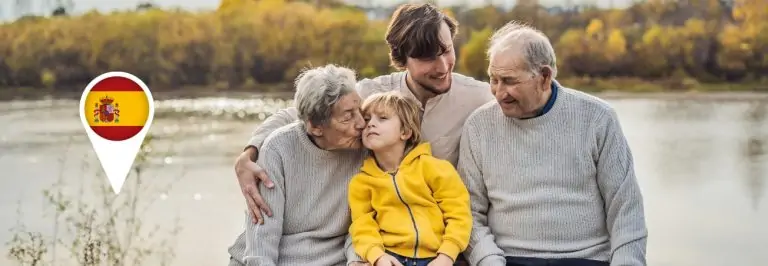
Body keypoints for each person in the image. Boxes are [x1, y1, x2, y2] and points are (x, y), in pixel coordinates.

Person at [233, 3, 492, 226]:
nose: (443, 66)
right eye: (427, 59)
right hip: (380, 238)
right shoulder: (372, 93)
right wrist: (248, 154)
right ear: (402, 59)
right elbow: (296, 115)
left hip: (445, 237)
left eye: (446, 50)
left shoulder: (480, 97)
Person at [458, 21, 648, 266]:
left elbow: (626, 210)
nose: (498, 92)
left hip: (586, 259)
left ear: (545, 77)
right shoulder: (478, 126)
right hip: (508, 259)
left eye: (509, 81)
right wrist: (488, 260)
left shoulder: (598, 118)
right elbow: (469, 214)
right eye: (493, 79)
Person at [228, 64, 369, 266]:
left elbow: (364, 222)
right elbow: (263, 235)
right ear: (315, 126)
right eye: (347, 117)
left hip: (334, 260)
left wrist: (356, 259)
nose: (361, 123)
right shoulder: (278, 148)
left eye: (360, 111)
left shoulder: (366, 147)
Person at [348, 91, 472, 266]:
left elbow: (459, 215)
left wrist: (447, 255)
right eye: (367, 119)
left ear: (405, 132)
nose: (370, 124)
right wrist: (377, 257)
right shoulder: (361, 183)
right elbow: (362, 227)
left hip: (438, 258)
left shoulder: (435, 168)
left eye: (382, 118)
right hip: (390, 258)